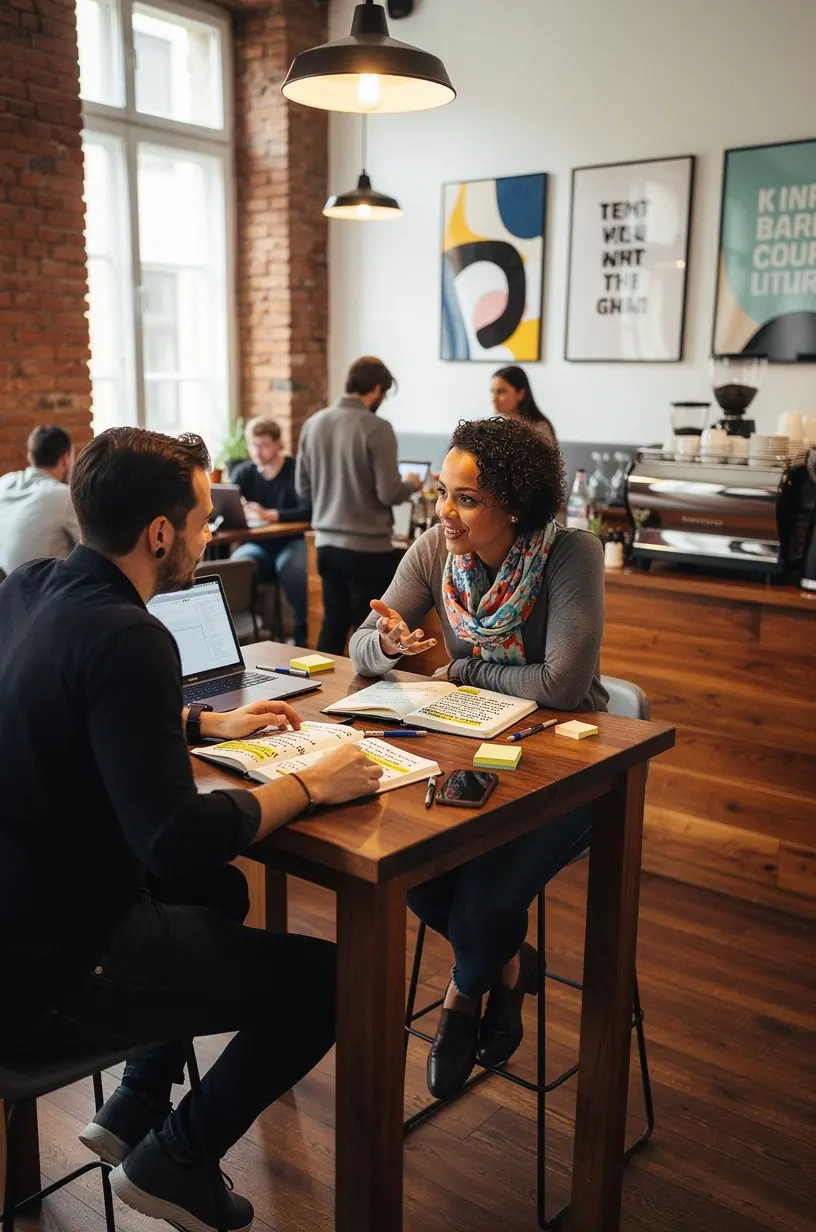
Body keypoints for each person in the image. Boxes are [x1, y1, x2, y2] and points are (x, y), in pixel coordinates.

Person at [0, 427, 382, 1232]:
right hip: (57, 976)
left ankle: (137, 1101)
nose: (210, 533)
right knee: (337, 980)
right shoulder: (135, 636)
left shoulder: (30, 587)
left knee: (212, 893)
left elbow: (75, 707)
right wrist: (307, 783)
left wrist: (202, 726)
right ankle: (177, 1159)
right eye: (205, 518)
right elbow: (174, 836)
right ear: (161, 533)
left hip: (14, 926)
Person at [350, 417, 607, 1101]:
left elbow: (563, 685)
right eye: (443, 492)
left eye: (465, 498)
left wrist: (462, 670)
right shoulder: (436, 550)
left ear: (513, 505)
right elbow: (361, 645)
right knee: (418, 874)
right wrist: (390, 645)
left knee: (478, 905)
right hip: (468, 749)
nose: (445, 512)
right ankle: (509, 968)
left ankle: (462, 1002)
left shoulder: (569, 554)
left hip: (574, 766)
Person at [296, 356, 422, 654]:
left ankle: (321, 694)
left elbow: (302, 488)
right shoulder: (377, 427)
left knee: (332, 625)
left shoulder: (313, 423)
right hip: (367, 548)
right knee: (369, 634)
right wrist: (413, 485)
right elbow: (388, 493)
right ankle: (367, 696)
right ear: (377, 388)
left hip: (325, 544)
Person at [229, 416, 310, 645]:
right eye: (254, 445)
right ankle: (245, 634)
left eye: (264, 445)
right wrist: (242, 510)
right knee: (237, 565)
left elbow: (309, 510)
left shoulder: (295, 470)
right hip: (258, 544)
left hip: (293, 540)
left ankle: (301, 635)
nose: (258, 452)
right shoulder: (244, 473)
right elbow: (228, 506)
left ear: (278, 444)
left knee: (292, 567)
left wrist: (269, 515)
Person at [0, 424, 78, 576]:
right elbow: (92, 546)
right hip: (40, 593)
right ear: (65, 459)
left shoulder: (4, 483)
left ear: (30, 456)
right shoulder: (63, 496)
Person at [491, 365, 558, 447]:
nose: (494, 399)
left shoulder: (539, 429)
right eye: (492, 391)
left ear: (520, 394)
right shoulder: (494, 425)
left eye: (501, 392)